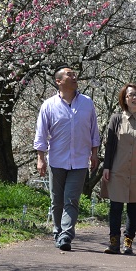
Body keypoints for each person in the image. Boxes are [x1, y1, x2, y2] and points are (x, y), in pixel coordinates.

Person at [34, 65, 100, 251]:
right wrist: (40, 158)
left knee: (72, 199)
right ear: (58, 81)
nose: (74, 77)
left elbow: (94, 130)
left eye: (75, 74)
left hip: (79, 160)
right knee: (57, 200)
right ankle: (58, 231)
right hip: (57, 160)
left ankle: (66, 235)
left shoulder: (87, 103)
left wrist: (94, 154)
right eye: (69, 75)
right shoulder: (48, 105)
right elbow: (41, 134)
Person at [101, 83, 136, 255]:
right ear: (124, 99)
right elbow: (110, 145)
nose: (135, 98)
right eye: (131, 95)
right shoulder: (116, 119)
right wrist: (107, 167)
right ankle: (113, 241)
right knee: (115, 206)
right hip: (118, 168)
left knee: (134, 208)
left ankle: (128, 241)